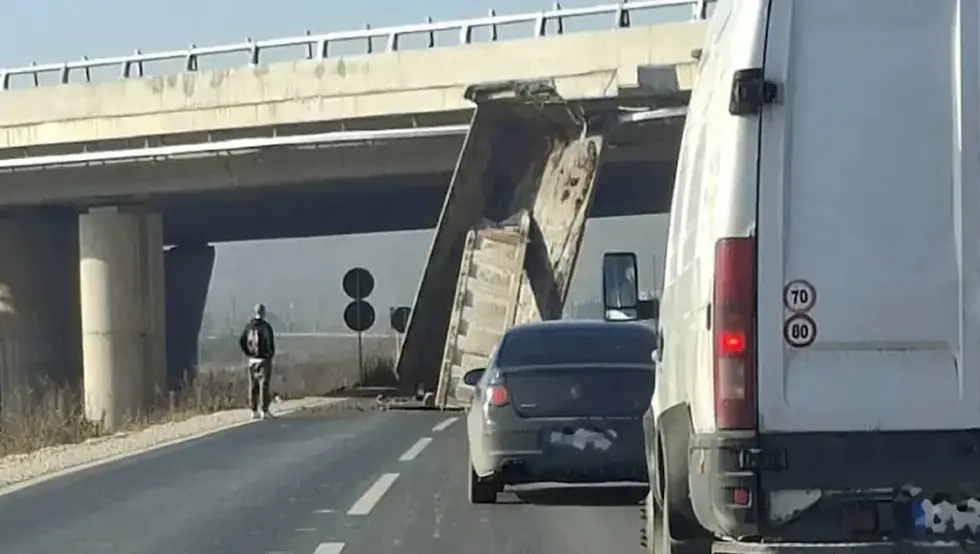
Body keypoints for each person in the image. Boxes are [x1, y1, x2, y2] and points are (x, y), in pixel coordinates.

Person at [238, 303, 277, 420]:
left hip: (252, 360)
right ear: (264, 313)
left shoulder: (249, 326)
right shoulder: (266, 327)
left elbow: (242, 341)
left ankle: (253, 410)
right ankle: (264, 410)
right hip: (264, 359)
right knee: (264, 385)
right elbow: (270, 342)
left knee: (253, 385)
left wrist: (248, 353)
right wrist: (270, 354)